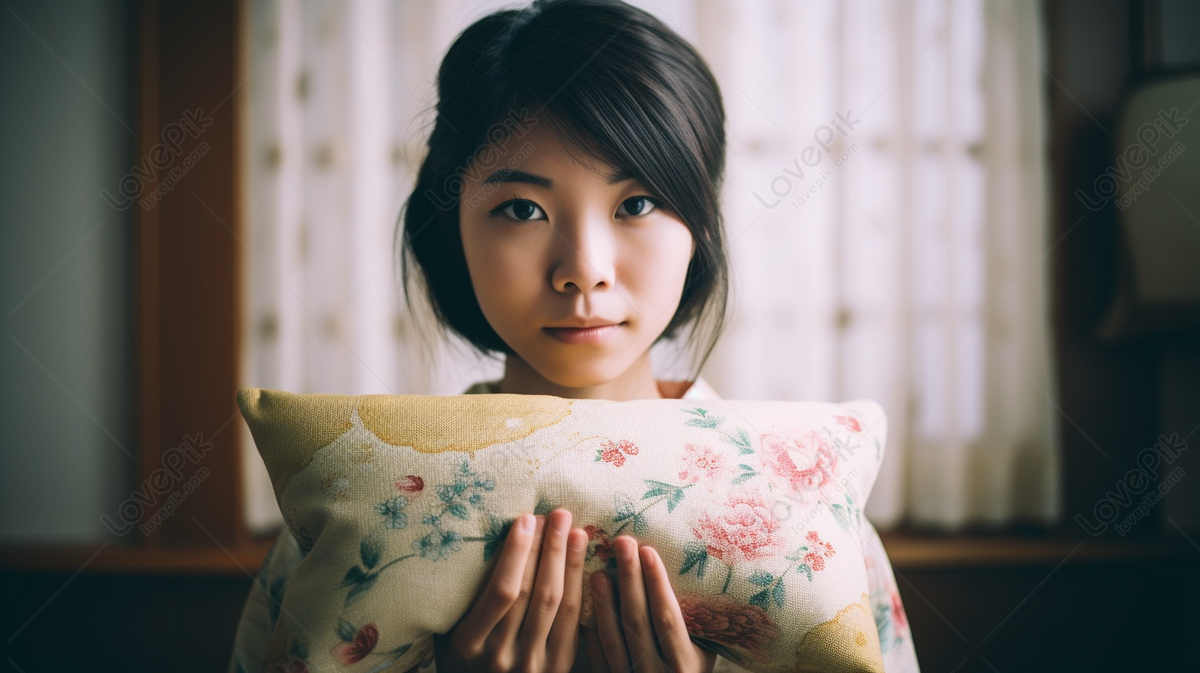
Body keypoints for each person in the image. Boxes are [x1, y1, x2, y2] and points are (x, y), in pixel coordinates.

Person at [228, 1, 919, 671]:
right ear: (452, 229)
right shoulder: (354, 511)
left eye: (638, 203)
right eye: (522, 208)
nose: (584, 270)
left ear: (701, 225)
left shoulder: (808, 521)